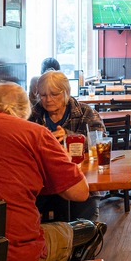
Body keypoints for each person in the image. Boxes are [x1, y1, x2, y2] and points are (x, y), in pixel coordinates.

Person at [0, 81, 90, 261]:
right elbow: (79, 192)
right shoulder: (33, 133)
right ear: (23, 111)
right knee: (86, 229)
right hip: (11, 256)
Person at [29, 70, 105, 221]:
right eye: (43, 95)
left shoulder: (85, 112)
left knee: (86, 223)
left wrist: (70, 137)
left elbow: (100, 144)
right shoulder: (32, 115)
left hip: (80, 181)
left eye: (54, 94)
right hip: (43, 184)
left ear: (66, 92)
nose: (48, 99)